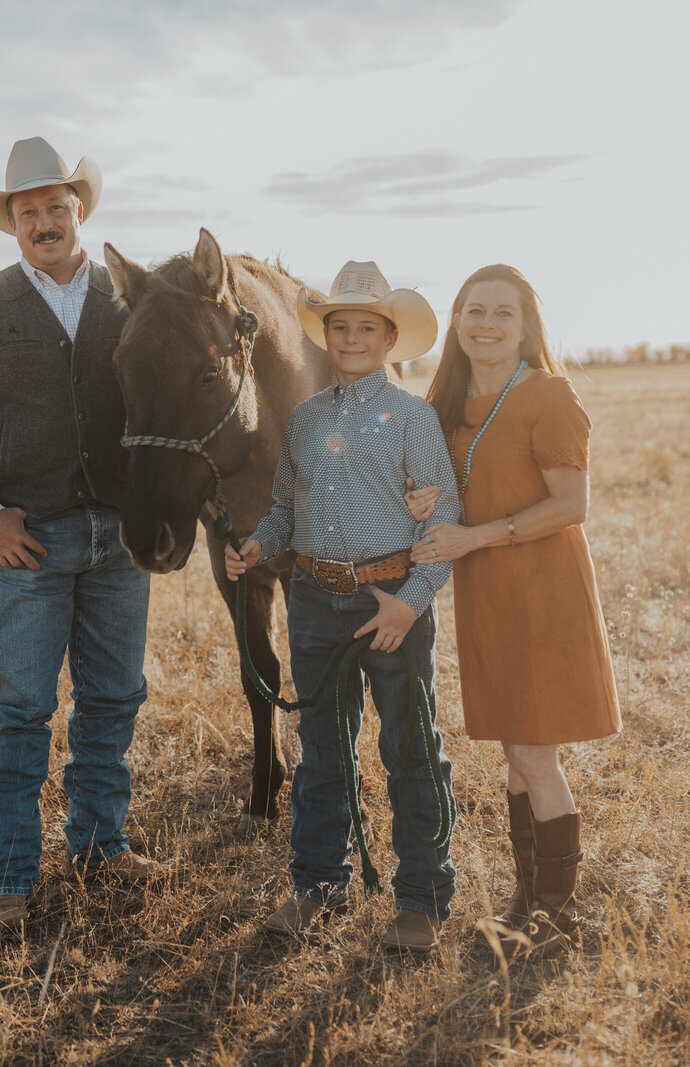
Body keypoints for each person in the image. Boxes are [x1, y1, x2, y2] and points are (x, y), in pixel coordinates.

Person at [0, 137, 167, 938]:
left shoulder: (130, 298)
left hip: (116, 542)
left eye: (54, 207)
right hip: (26, 542)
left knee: (111, 699)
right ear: (13, 224)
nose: (42, 222)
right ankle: (9, 881)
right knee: (18, 711)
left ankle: (101, 846)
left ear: (78, 210)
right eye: (26, 211)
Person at [224, 261, 461, 953]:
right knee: (322, 751)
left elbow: (442, 525)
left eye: (366, 327)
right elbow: (285, 511)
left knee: (411, 749)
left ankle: (422, 896)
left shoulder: (412, 418)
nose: (351, 338)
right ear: (324, 336)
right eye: (340, 326)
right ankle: (318, 884)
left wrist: (409, 604)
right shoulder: (303, 420)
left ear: (389, 338)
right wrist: (256, 543)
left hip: (390, 602)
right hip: (313, 600)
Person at [405, 263, 621, 959]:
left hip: (545, 587)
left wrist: (472, 536)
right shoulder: (454, 399)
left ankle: (558, 918)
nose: (486, 323)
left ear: (526, 326)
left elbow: (572, 504)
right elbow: (460, 490)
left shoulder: (548, 396)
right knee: (512, 748)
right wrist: (432, 510)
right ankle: (525, 902)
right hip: (488, 590)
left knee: (535, 750)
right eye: (474, 309)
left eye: (503, 312)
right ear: (458, 321)